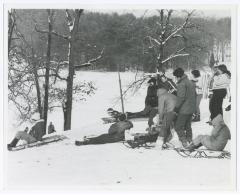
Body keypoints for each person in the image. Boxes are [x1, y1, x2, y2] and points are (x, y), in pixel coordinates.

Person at [173, 68, 196, 148]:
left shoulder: (182, 84)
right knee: (187, 126)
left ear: (179, 76)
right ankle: (190, 140)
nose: (176, 78)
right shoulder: (190, 82)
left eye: (176, 76)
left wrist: (176, 108)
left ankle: (184, 142)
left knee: (178, 126)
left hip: (184, 109)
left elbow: (181, 97)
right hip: (191, 108)